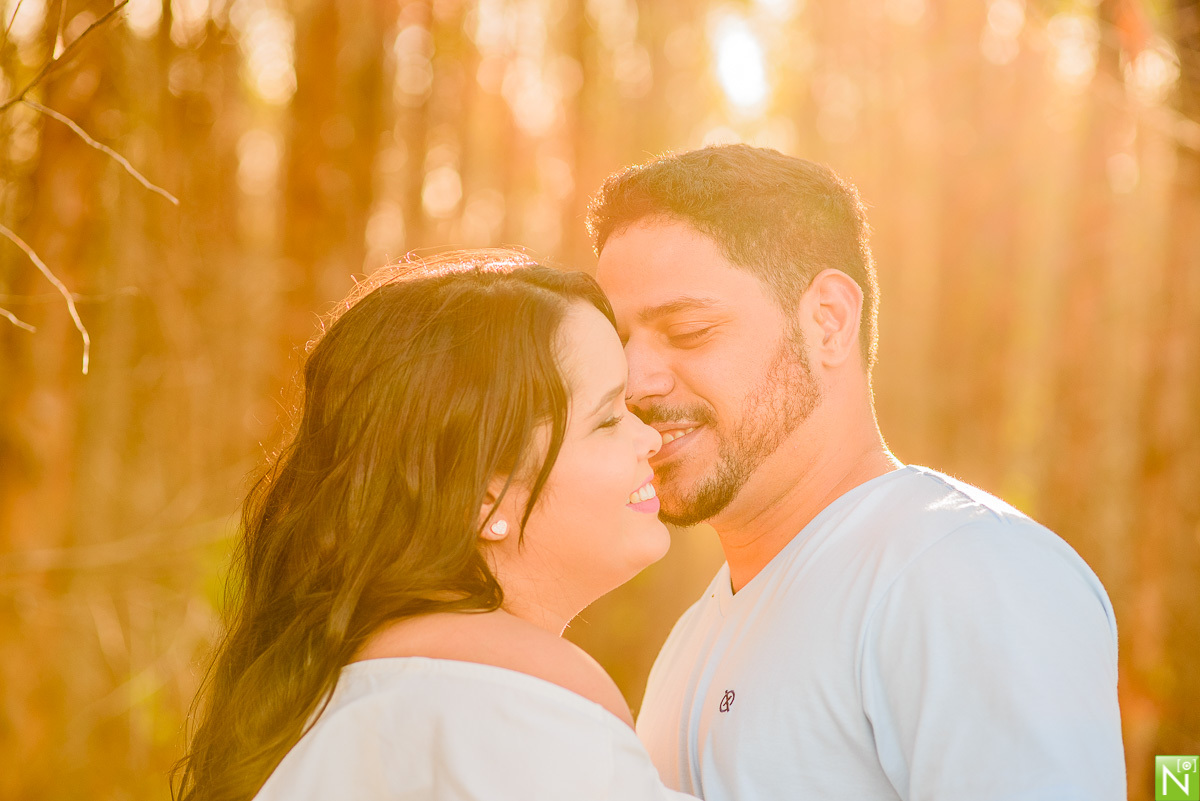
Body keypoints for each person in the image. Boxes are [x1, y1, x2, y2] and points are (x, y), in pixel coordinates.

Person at [588, 144, 1125, 800]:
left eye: (690, 330)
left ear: (829, 322)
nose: (636, 381)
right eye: (617, 343)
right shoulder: (690, 640)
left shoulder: (964, 572)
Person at [173, 250, 695, 801]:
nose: (650, 438)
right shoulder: (517, 694)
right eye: (609, 419)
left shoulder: (345, 688)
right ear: (485, 496)